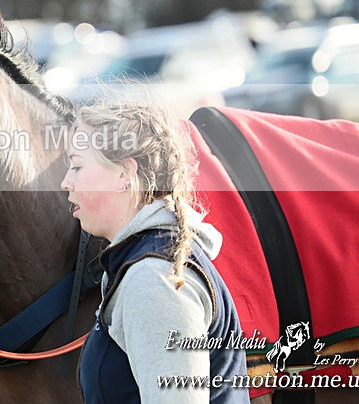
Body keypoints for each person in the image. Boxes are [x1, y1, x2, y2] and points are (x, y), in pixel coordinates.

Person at [62, 97, 249, 403]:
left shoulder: (153, 280)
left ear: (125, 174)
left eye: (77, 166)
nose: (65, 182)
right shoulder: (143, 263)